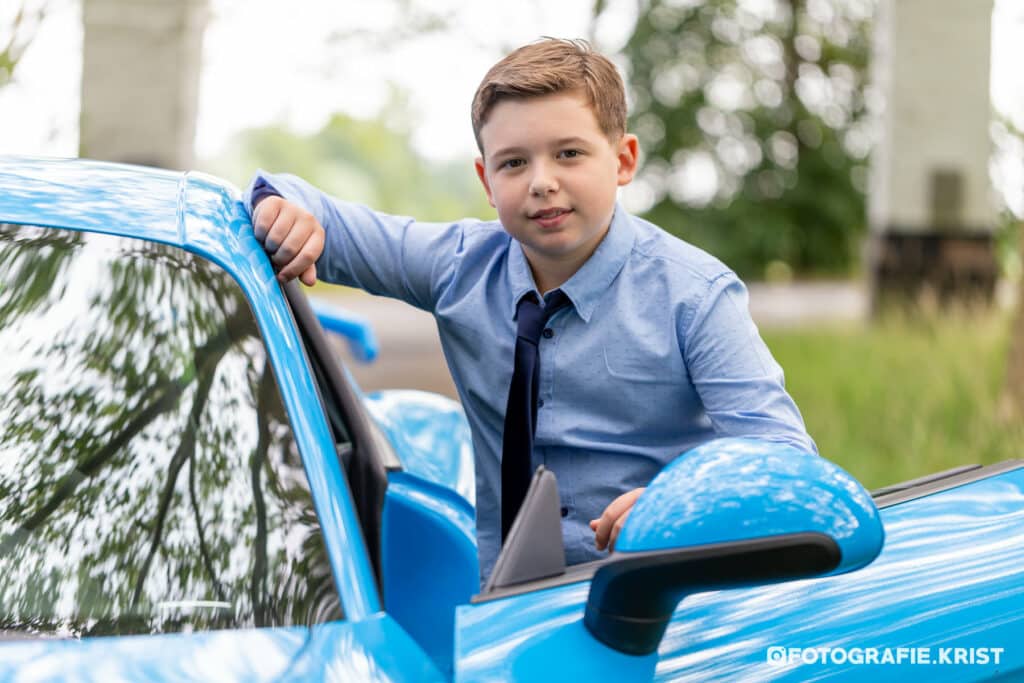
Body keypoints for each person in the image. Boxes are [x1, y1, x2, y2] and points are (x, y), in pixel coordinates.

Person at [243, 38, 817, 583]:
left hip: (650, 595)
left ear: (623, 160)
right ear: (486, 180)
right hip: (503, 599)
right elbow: (311, 209)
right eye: (514, 163)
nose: (542, 183)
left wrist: (683, 501)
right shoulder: (457, 265)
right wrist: (282, 207)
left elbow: (785, 459)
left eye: (569, 154)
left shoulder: (695, 295)